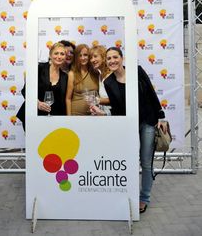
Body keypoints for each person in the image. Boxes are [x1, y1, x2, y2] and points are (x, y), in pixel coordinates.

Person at [91, 46, 167, 213]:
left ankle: (144, 198)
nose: (112, 61)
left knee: (146, 162)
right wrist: (103, 115)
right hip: (129, 125)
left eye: (115, 57)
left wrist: (161, 116)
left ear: (122, 58)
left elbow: (152, 94)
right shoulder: (108, 82)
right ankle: (126, 194)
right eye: (109, 58)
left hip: (148, 121)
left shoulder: (137, 71)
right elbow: (118, 109)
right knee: (129, 161)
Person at [17, 42, 68, 130]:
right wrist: (36, 103)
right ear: (50, 55)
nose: (59, 56)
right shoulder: (39, 69)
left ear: (65, 57)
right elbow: (25, 91)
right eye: (56, 53)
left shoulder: (65, 76)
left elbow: (62, 101)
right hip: (33, 115)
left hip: (53, 120)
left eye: (62, 54)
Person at [66, 43, 98, 115]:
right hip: (76, 115)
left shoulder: (95, 72)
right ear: (76, 58)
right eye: (80, 55)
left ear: (89, 56)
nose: (83, 58)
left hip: (94, 115)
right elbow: (68, 99)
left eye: (85, 55)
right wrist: (69, 118)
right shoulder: (72, 74)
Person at [89, 45, 111, 114]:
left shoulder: (111, 75)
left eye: (95, 56)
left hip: (114, 116)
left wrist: (96, 100)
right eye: (91, 58)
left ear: (103, 57)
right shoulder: (100, 74)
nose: (92, 60)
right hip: (104, 114)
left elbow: (116, 99)